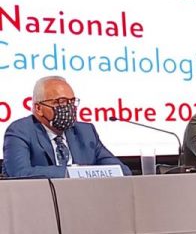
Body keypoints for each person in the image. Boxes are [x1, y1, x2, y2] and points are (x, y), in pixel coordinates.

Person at [2, 76, 131, 178]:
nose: (68, 108)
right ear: (38, 108)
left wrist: (85, 173)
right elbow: (19, 173)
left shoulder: (86, 132)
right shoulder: (20, 131)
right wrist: (72, 172)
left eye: (72, 102)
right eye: (60, 102)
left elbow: (122, 170)